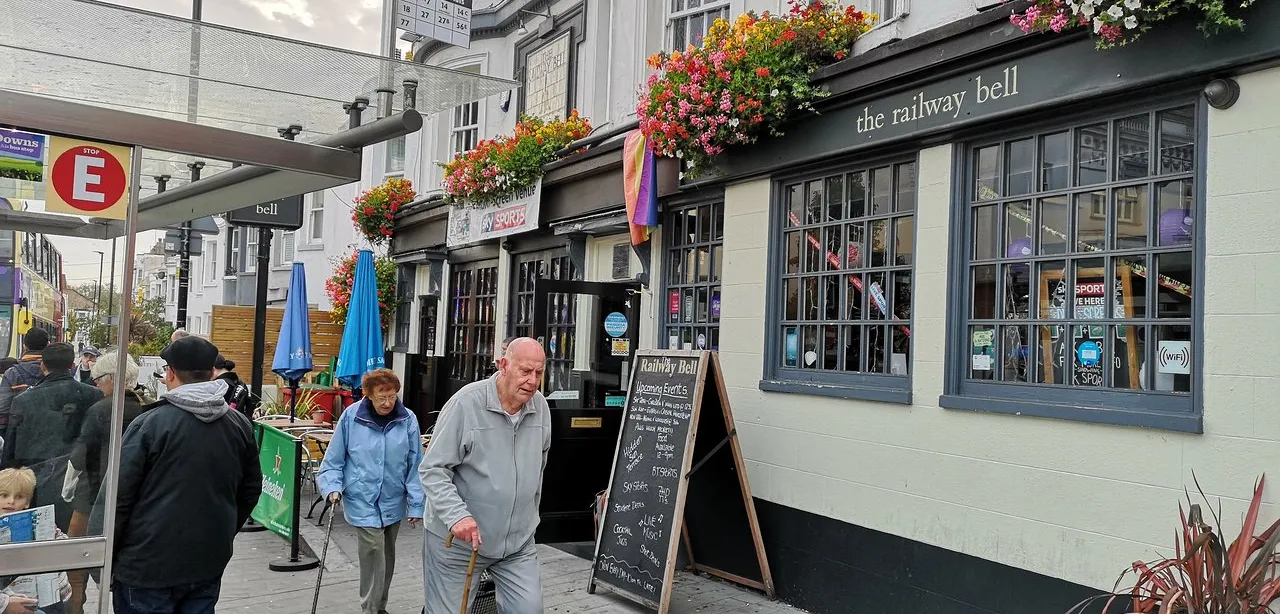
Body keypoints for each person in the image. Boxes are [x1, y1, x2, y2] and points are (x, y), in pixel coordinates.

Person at [112, 336, 262, 614]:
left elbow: (118, 498)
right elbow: (250, 490)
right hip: (206, 560)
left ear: (169, 373)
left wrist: (108, 557)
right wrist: (224, 532)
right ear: (211, 372)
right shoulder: (238, 424)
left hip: (146, 566)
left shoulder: (149, 424)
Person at [419, 337, 552, 614]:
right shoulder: (466, 404)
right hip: (459, 543)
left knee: (529, 609)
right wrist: (457, 515)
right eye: (525, 371)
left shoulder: (540, 406)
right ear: (503, 365)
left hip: (517, 543)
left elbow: (539, 465)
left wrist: (529, 518)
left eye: (539, 373)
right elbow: (432, 469)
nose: (533, 381)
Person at [317, 368, 423, 614]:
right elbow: (333, 461)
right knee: (374, 553)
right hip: (361, 498)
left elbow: (416, 464)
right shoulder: (351, 417)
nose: (387, 403)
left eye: (392, 396)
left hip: (392, 500)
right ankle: (371, 609)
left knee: (386, 556)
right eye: (381, 397)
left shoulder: (407, 419)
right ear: (367, 395)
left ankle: (379, 605)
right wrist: (332, 488)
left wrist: (417, 504)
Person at [65, 351, 146, 614]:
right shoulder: (147, 407)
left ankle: (76, 606)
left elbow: (80, 456)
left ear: (112, 379)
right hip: (136, 498)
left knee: (77, 558)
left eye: (98, 379)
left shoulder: (101, 409)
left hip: (92, 495)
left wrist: (66, 488)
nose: (96, 385)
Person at [0, 343, 102, 531]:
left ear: (43, 366)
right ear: (72, 365)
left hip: (33, 486)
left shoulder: (22, 400)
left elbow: (10, 449)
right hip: (77, 484)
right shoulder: (94, 395)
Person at [0, 467, 73, 614]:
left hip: (51, 597)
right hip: (13, 600)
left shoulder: (40, 522)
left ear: (27, 503)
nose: (11, 501)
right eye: (4, 495)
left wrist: (52, 537)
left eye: (19, 497)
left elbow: (67, 549)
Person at [0, 328, 50, 433]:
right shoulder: (55, 370)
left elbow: (3, 410)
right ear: (48, 345)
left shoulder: (12, 373)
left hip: (19, 434)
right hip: (49, 434)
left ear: (24, 347)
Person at [213, 355, 256, 420]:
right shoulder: (240, 383)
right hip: (243, 424)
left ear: (213, 368)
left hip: (227, 425)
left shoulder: (220, 385)